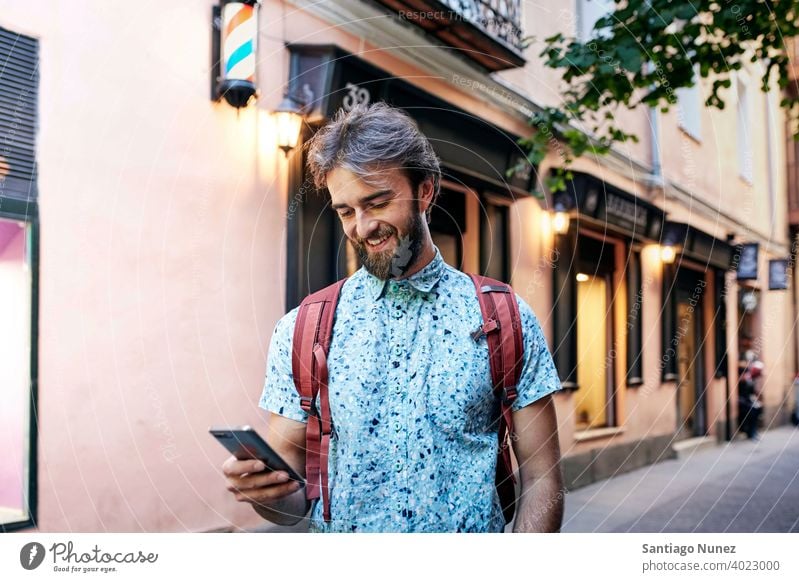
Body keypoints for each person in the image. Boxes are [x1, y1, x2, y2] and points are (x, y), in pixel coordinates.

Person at [222, 102, 564, 532]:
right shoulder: (302, 329)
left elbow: (542, 477)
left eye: (378, 202)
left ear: (425, 191)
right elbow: (293, 502)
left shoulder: (504, 316)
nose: (362, 227)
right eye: (345, 211)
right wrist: (264, 495)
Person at [737, 334, 764, 441]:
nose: (747, 344)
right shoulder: (739, 354)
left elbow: (756, 369)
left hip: (750, 388)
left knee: (756, 408)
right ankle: (748, 431)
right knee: (748, 409)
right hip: (741, 390)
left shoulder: (752, 355)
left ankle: (753, 431)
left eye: (749, 342)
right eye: (745, 342)